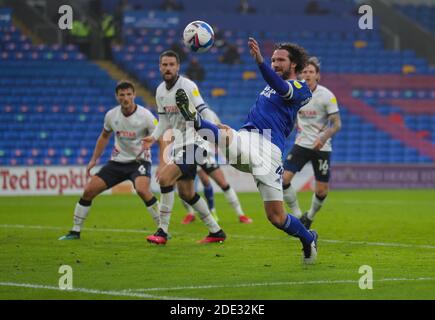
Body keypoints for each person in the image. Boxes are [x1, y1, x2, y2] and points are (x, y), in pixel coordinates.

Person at [175, 38, 318, 264]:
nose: (275, 63)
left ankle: (308, 237)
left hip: (269, 150)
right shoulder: (268, 87)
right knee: (227, 135)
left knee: (276, 217)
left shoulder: (302, 89)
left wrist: (260, 61)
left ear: (294, 65)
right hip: (247, 139)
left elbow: (282, 88)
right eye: (273, 60)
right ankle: (196, 120)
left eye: (280, 60)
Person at [59, 81, 164, 240]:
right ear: (117, 97)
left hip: (139, 162)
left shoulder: (146, 116)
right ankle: (75, 231)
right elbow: (104, 136)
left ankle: (163, 229)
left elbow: (161, 139)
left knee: (143, 190)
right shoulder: (111, 115)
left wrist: (162, 163)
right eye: (122, 95)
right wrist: (94, 159)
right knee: (88, 191)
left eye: (129, 94)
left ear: (134, 95)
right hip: (117, 163)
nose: (125, 98)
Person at [141, 50, 226, 245]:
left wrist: (213, 131)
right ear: (159, 67)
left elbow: (204, 110)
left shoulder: (187, 85)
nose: (168, 68)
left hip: (197, 143)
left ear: (178, 67)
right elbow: (163, 121)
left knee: (164, 178)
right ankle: (216, 232)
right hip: (180, 145)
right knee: (186, 193)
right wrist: (153, 137)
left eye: (172, 64)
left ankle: (162, 232)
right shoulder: (160, 91)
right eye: (165, 64)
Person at [282, 57, 341, 229]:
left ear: (317, 76)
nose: (307, 74)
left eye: (311, 72)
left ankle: (310, 216)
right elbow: (292, 118)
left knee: (322, 190)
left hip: (322, 147)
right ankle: (298, 215)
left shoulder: (327, 96)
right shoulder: (296, 93)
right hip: (301, 144)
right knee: (283, 179)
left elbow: (337, 123)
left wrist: (322, 138)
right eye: (304, 71)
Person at [181, 106, 253, 225]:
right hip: (189, 152)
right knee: (187, 187)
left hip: (205, 152)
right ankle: (195, 213)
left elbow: (217, 127)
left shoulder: (208, 112)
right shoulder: (183, 112)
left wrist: (217, 142)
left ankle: (241, 214)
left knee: (222, 183)